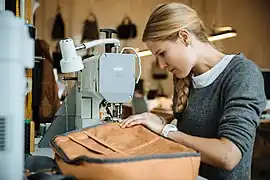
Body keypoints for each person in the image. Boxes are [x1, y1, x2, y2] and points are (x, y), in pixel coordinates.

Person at [120, 3, 266, 180]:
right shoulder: (184, 76)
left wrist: (165, 130)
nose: (161, 65)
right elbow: (190, 125)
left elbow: (228, 155)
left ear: (184, 37)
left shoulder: (242, 74)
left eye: (163, 53)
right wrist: (158, 120)